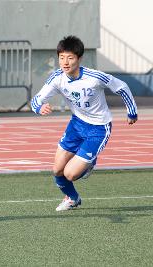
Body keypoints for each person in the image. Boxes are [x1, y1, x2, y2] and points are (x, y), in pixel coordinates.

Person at [31, 35, 138, 211]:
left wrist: (131, 111)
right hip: (76, 125)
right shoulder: (57, 78)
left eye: (70, 58)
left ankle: (90, 162)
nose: (65, 62)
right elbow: (36, 100)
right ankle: (73, 198)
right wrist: (39, 108)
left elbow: (121, 86)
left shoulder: (94, 77)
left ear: (79, 58)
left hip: (98, 128)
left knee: (70, 174)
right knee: (57, 170)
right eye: (61, 57)